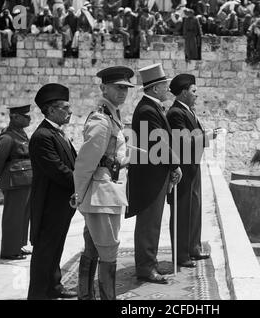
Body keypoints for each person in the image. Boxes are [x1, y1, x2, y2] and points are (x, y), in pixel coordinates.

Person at [73, 66, 134, 300]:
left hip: (107, 192)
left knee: (92, 247)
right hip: (102, 195)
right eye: (118, 87)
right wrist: (78, 194)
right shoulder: (101, 119)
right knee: (108, 251)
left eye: (126, 88)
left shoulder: (112, 115)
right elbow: (85, 162)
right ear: (103, 88)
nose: (123, 92)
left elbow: (112, 156)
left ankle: (85, 296)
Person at [127, 63, 182, 285]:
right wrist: (174, 165)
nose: (168, 89)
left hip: (155, 173)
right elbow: (158, 143)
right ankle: (145, 267)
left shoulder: (152, 107)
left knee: (153, 222)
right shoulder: (148, 110)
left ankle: (149, 261)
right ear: (155, 88)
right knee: (149, 222)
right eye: (164, 85)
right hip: (150, 176)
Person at [27, 83, 77, 300]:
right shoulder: (42, 137)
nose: (70, 111)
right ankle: (38, 294)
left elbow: (72, 162)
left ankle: (53, 287)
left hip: (62, 203)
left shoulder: (57, 133)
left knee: (56, 247)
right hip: (49, 205)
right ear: (51, 110)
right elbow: (58, 170)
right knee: (44, 251)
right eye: (65, 108)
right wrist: (82, 181)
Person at [166, 74, 216, 268]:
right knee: (182, 212)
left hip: (193, 168)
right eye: (194, 91)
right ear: (184, 92)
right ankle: (181, 254)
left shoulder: (189, 111)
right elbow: (184, 143)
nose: (197, 95)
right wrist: (209, 137)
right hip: (183, 170)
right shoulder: (176, 113)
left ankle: (193, 247)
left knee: (194, 209)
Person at [0, 105, 32, 261]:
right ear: (15, 117)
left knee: (23, 216)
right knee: (13, 217)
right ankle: (9, 251)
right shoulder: (7, 137)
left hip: (24, 181)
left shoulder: (21, 133)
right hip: (14, 182)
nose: (29, 118)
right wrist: (4, 179)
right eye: (25, 116)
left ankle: (17, 247)